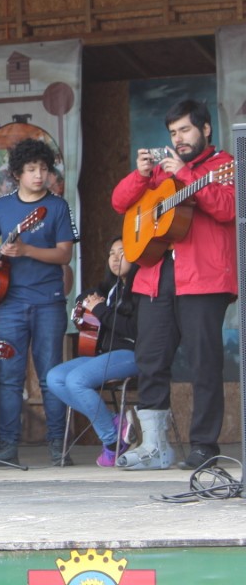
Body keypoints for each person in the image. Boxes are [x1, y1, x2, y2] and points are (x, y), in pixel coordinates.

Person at [111, 99, 236, 470]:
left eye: (185, 130)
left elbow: (228, 209)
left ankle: (204, 445)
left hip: (203, 279)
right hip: (155, 277)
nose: (178, 138)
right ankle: (154, 446)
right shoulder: (161, 173)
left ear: (205, 129)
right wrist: (140, 175)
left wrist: (186, 175)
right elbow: (120, 203)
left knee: (204, 364)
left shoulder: (225, 165)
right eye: (173, 133)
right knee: (151, 360)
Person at [0, 138, 76, 466]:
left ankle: (58, 444)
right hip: (10, 303)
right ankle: (7, 445)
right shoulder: (2, 207)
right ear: (17, 173)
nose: (39, 175)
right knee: (9, 377)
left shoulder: (58, 206)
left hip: (49, 302)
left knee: (50, 375)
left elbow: (65, 254)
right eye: (31, 169)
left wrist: (27, 250)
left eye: (43, 169)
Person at [46, 237, 138, 468]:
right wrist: (88, 301)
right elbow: (84, 297)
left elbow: (133, 329)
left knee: (76, 380)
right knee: (55, 378)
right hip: (105, 355)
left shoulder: (141, 288)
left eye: (122, 252)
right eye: (111, 253)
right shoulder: (110, 288)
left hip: (131, 353)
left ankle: (112, 442)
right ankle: (114, 424)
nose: (115, 258)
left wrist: (100, 309)